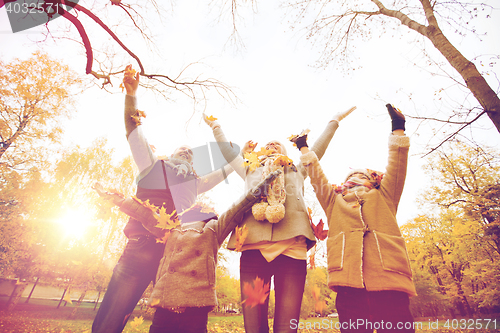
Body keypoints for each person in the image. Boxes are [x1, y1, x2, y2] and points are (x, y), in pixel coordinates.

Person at [91, 66, 235, 333]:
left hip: (177, 256)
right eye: (182, 149)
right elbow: (134, 131)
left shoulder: (195, 183)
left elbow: (225, 171)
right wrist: (131, 96)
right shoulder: (150, 166)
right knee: (112, 316)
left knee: (169, 323)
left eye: (191, 153)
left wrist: (242, 158)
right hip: (141, 246)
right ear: (170, 154)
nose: (187, 151)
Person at [203, 107, 356, 333]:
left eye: (277, 143)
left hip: (292, 249)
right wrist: (216, 127)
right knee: (254, 326)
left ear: (287, 150)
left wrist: (334, 120)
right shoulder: (249, 168)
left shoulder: (297, 169)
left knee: (286, 325)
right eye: (269, 144)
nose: (273, 144)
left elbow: (317, 151)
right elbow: (228, 152)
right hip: (254, 249)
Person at [95, 170, 281, 333]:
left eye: (202, 208)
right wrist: (115, 198)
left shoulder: (214, 229)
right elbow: (143, 213)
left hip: (196, 303)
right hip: (165, 301)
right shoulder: (170, 228)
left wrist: (261, 186)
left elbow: (237, 208)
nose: (197, 208)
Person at [294, 104, 417, 333]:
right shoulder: (334, 201)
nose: (356, 177)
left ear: (373, 179)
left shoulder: (385, 195)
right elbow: (316, 174)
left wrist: (398, 129)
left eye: (361, 175)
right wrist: (303, 147)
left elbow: (398, 164)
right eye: (351, 176)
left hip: (389, 282)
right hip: (349, 286)